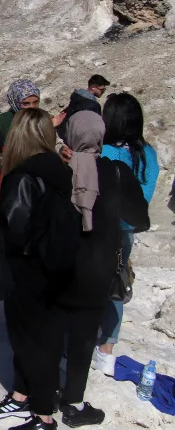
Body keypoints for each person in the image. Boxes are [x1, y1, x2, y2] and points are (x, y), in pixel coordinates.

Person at [52, 111, 148, 427]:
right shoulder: (116, 172)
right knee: (82, 338)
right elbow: (141, 219)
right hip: (98, 266)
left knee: (54, 331)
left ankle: (48, 392)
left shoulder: (59, 170)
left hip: (60, 264)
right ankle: (74, 405)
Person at [0, 108, 78, 430]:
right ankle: (21, 396)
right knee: (40, 336)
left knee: (30, 340)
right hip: (51, 265)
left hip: (26, 269)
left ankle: (43, 416)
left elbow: (14, 227)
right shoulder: (58, 169)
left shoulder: (24, 175)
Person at [92, 93, 158, 377]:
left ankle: (82, 338)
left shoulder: (104, 152)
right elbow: (145, 194)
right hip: (126, 232)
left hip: (98, 230)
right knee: (116, 288)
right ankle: (106, 350)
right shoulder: (148, 154)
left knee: (91, 285)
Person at [0, 79, 40, 174]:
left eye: (35, 102)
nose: (32, 107)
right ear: (15, 102)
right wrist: (2, 162)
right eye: (26, 103)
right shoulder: (5, 121)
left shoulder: (42, 119)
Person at [54, 75, 109, 141]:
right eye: (102, 90)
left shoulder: (76, 96)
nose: (103, 92)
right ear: (93, 87)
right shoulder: (93, 105)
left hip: (67, 134)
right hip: (80, 139)